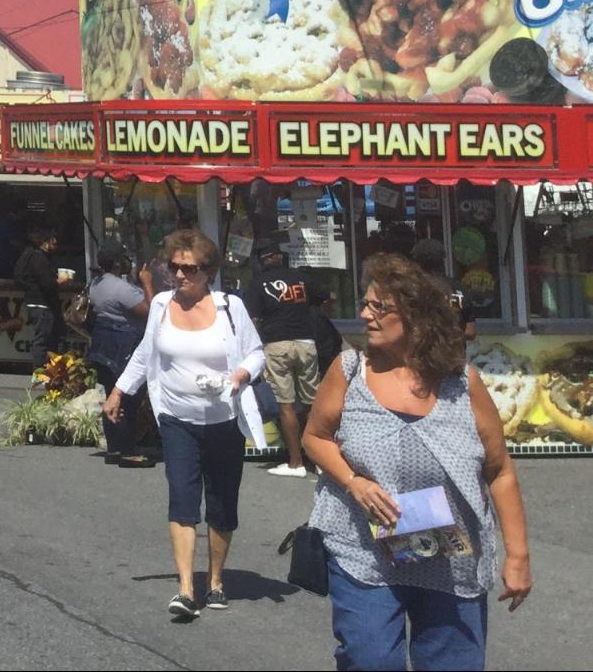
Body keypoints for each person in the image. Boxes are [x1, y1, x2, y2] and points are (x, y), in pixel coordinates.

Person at [300, 254, 531, 668]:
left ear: (417, 317)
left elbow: (499, 472)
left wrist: (517, 558)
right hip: (364, 551)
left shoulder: (462, 383)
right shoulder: (349, 370)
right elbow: (315, 438)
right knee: (369, 660)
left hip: (450, 557)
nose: (365, 315)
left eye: (379, 307)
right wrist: (354, 481)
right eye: (365, 304)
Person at [103, 231, 266, 622]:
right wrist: (119, 391)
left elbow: (256, 353)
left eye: (188, 268)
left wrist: (241, 374)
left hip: (224, 420)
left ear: (207, 271)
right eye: (173, 267)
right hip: (177, 418)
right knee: (182, 497)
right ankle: (185, 589)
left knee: (223, 503)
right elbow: (146, 353)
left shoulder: (231, 308)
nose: (178, 274)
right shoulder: (160, 304)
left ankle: (215, 581)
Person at [245, 240, 324, 478]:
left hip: (276, 344)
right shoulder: (301, 277)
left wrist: (253, 348)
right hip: (306, 342)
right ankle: (320, 460)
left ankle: (296, 463)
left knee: (286, 404)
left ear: (262, 260)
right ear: (281, 257)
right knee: (312, 403)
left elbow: (254, 321)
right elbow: (325, 297)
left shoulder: (257, 284)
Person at [87, 239, 153, 466]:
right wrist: (146, 282)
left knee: (111, 393)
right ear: (116, 264)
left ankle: (115, 448)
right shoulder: (121, 288)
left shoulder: (97, 283)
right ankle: (128, 451)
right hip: (123, 343)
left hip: (102, 340)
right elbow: (150, 311)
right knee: (128, 396)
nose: (129, 262)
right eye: (125, 259)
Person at [14, 223, 66, 359]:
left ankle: (49, 371)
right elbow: (47, 283)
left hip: (35, 303)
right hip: (42, 304)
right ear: (45, 241)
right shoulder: (39, 258)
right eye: (53, 239)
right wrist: (60, 280)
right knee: (43, 341)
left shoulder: (31, 254)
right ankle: (40, 372)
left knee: (46, 339)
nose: (56, 242)